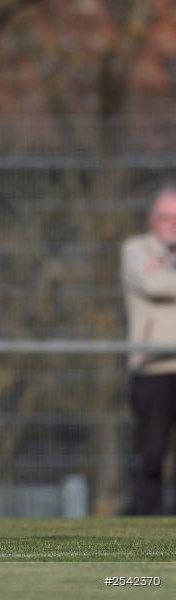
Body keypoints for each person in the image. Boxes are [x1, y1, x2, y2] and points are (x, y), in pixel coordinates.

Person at [121, 186, 176, 515]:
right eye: (164, 218)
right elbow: (154, 285)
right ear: (151, 220)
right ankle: (145, 521)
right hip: (153, 369)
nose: (171, 224)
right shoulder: (136, 250)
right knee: (151, 454)